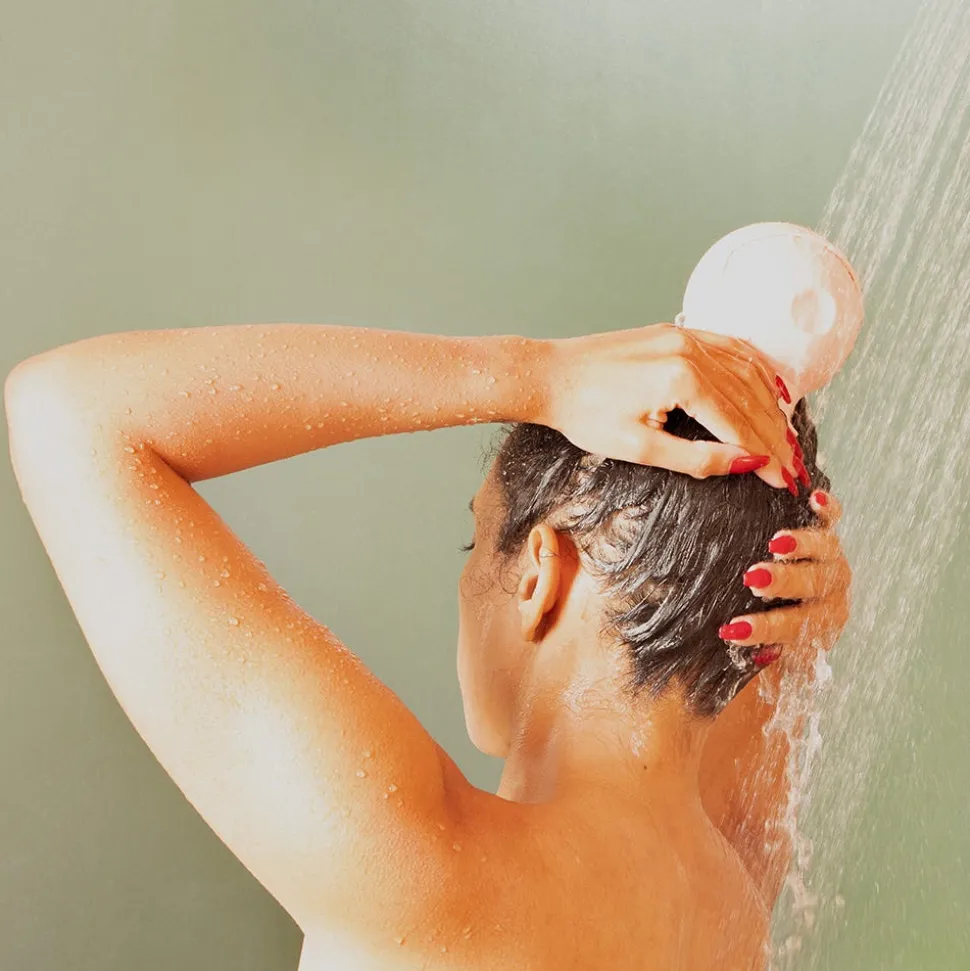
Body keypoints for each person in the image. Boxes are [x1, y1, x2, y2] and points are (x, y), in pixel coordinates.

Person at [5, 321, 850, 970]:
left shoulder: (428, 870)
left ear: (540, 573)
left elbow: (71, 414)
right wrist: (800, 633)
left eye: (476, 542)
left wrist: (533, 375)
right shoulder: (732, 912)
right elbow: (749, 710)